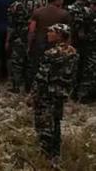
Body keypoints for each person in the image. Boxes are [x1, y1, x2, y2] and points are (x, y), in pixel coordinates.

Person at [31, 23, 77, 161]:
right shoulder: (73, 52)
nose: (48, 34)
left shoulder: (51, 54)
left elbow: (42, 77)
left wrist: (33, 95)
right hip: (60, 93)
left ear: (59, 35)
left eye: (51, 32)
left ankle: (45, 157)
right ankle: (56, 155)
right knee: (56, 123)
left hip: (46, 93)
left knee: (44, 125)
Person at [28, 0, 71, 78]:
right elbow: (68, 32)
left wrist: (29, 45)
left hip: (39, 42)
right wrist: (67, 46)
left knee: (36, 65)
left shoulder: (38, 12)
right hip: (55, 45)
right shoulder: (64, 14)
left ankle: (30, 87)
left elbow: (31, 30)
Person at [76, 0, 96, 102]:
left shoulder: (91, 18)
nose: (90, 7)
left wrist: (85, 36)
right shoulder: (89, 17)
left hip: (91, 49)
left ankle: (84, 96)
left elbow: (88, 35)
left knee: (89, 72)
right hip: (88, 49)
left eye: (92, 5)